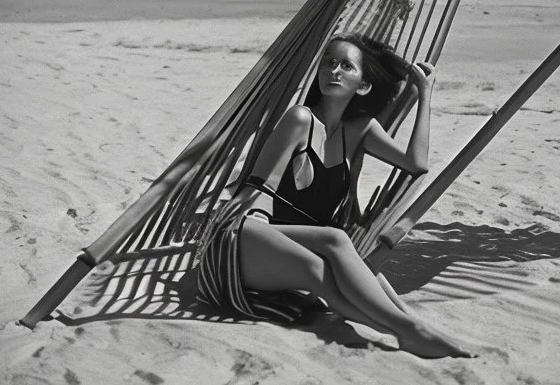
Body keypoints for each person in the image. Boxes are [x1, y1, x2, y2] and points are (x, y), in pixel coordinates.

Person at [196, 32, 471, 358]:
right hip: (243, 235)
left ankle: (408, 326)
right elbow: (260, 188)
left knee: (353, 272)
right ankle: (407, 331)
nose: (334, 71)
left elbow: (416, 163)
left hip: (290, 252)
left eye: (346, 66)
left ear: (363, 85)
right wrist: (259, 228)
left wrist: (425, 94)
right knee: (334, 242)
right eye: (328, 63)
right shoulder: (300, 119)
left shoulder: (359, 131)